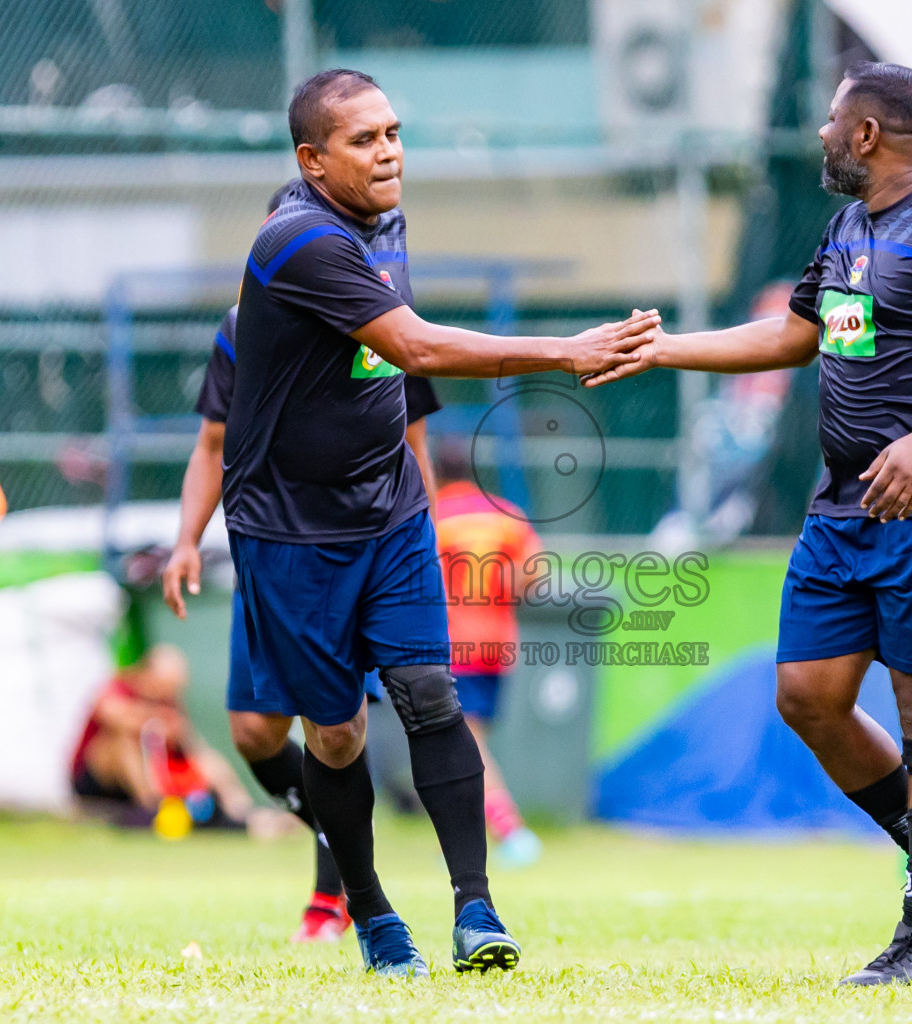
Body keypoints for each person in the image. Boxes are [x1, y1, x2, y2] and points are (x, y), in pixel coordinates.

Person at [587, 61, 912, 986]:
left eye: (836, 122)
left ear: (868, 135)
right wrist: (667, 348)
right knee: (807, 693)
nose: (825, 136)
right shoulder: (847, 227)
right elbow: (798, 334)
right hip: (843, 507)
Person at [218, 68, 657, 976]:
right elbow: (413, 345)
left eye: (393, 132)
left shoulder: (386, 221)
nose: (389, 152)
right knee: (334, 736)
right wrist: (564, 352)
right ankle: (374, 917)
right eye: (364, 140)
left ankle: (476, 911)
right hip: (290, 530)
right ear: (312, 160)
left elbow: (396, 381)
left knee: (429, 693)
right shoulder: (299, 241)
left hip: (391, 511)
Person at [161, 179, 445, 943]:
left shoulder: (389, 319)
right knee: (254, 732)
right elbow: (212, 446)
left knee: (338, 726)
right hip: (273, 546)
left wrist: (424, 538)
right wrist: (187, 540)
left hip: (362, 543)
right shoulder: (240, 332)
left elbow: (410, 438)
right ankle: (337, 832)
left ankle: (342, 895)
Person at [433, 442, 543, 868]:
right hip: (496, 644)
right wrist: (495, 592)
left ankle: (511, 831)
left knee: (467, 746)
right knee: (469, 742)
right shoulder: (504, 512)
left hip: (452, 644)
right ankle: (471, 839)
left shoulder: (434, 514)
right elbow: (535, 572)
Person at [71, 644, 273, 834]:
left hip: (156, 770)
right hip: (100, 778)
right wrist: (156, 722)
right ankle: (152, 806)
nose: (169, 694)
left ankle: (243, 814)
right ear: (148, 675)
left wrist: (181, 735)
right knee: (123, 738)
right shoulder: (119, 686)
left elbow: (189, 743)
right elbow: (111, 713)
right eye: (165, 686)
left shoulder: (169, 704)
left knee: (205, 756)